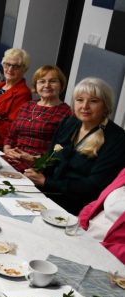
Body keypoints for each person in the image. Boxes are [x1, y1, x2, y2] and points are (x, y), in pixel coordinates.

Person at [25, 78, 125, 214]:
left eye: (93, 101)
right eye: (79, 100)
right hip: (46, 196)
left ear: (106, 106)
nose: (85, 106)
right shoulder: (69, 122)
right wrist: (35, 170)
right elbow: (50, 156)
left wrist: (46, 182)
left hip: (76, 208)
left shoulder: (117, 139)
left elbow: (94, 186)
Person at [3, 65, 72, 172]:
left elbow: (60, 153)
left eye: (52, 81)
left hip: (38, 167)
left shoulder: (67, 113)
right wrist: (8, 150)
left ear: (61, 85)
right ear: (35, 85)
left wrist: (30, 158)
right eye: (42, 81)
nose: (47, 85)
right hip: (12, 159)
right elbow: (11, 136)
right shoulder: (27, 106)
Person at [0, 48, 31, 149]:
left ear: (24, 69)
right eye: (7, 64)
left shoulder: (23, 93)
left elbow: (12, 127)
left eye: (16, 66)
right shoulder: (2, 85)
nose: (10, 69)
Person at [79, 167, 125, 264]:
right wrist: (80, 226)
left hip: (111, 257)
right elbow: (97, 203)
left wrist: (98, 248)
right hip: (84, 236)